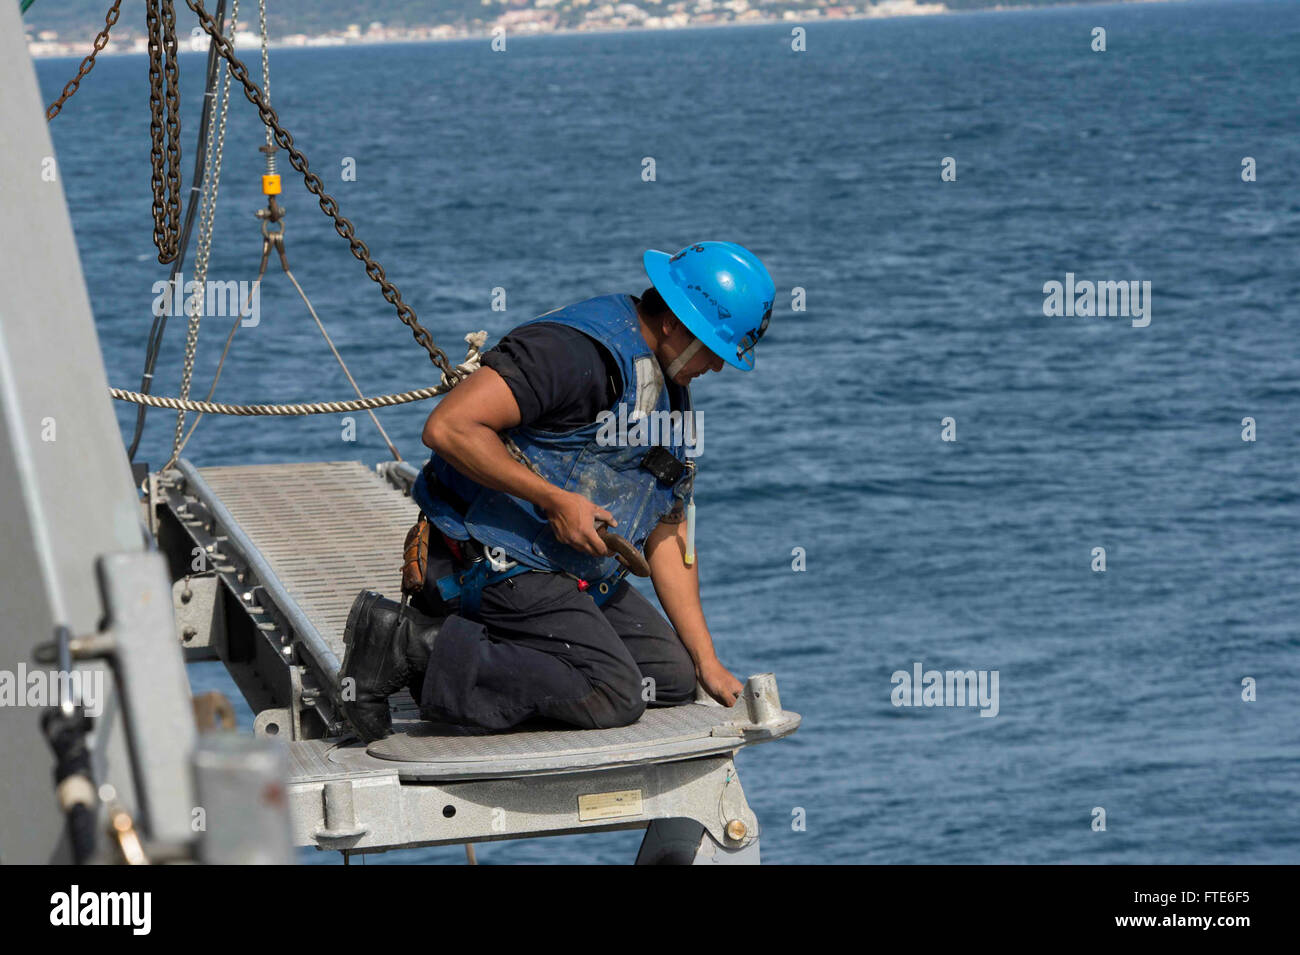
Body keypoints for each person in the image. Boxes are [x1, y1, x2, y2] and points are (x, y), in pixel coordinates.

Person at [338, 240, 775, 742]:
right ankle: (407, 642)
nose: (717, 367)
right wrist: (553, 500)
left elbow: (667, 529)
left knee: (670, 677)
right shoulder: (573, 355)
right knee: (614, 692)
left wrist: (708, 661)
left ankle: (477, 659)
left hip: (561, 567)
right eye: (712, 348)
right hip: (487, 559)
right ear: (674, 320)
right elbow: (449, 427)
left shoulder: (666, 384)